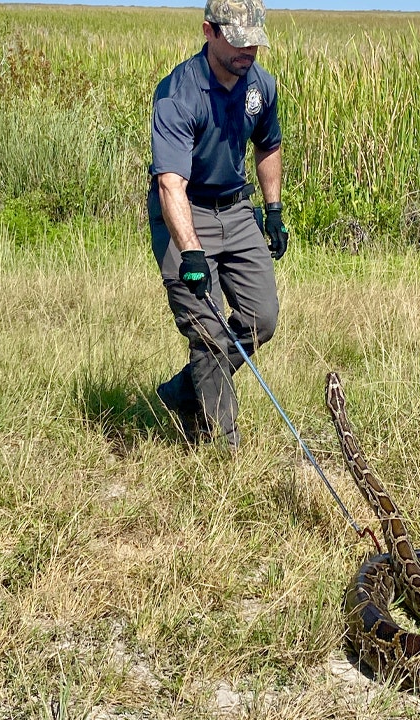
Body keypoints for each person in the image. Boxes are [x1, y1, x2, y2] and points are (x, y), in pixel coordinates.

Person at [148, 0, 289, 448]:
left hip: (236, 210)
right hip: (185, 211)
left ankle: (185, 389)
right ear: (209, 31)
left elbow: (268, 145)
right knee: (208, 334)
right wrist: (189, 251)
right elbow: (170, 183)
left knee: (260, 318)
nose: (248, 52)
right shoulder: (178, 94)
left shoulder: (260, 86)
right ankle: (223, 448)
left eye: (255, 43)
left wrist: (273, 210)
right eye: (239, 41)